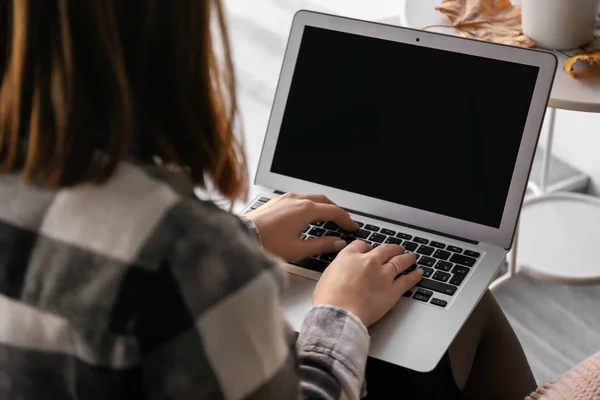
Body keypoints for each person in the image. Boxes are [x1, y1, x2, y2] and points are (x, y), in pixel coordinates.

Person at [0, 0, 578, 399]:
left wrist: (242, 234)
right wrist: (339, 313)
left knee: (440, 300)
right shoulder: (183, 255)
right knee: (463, 308)